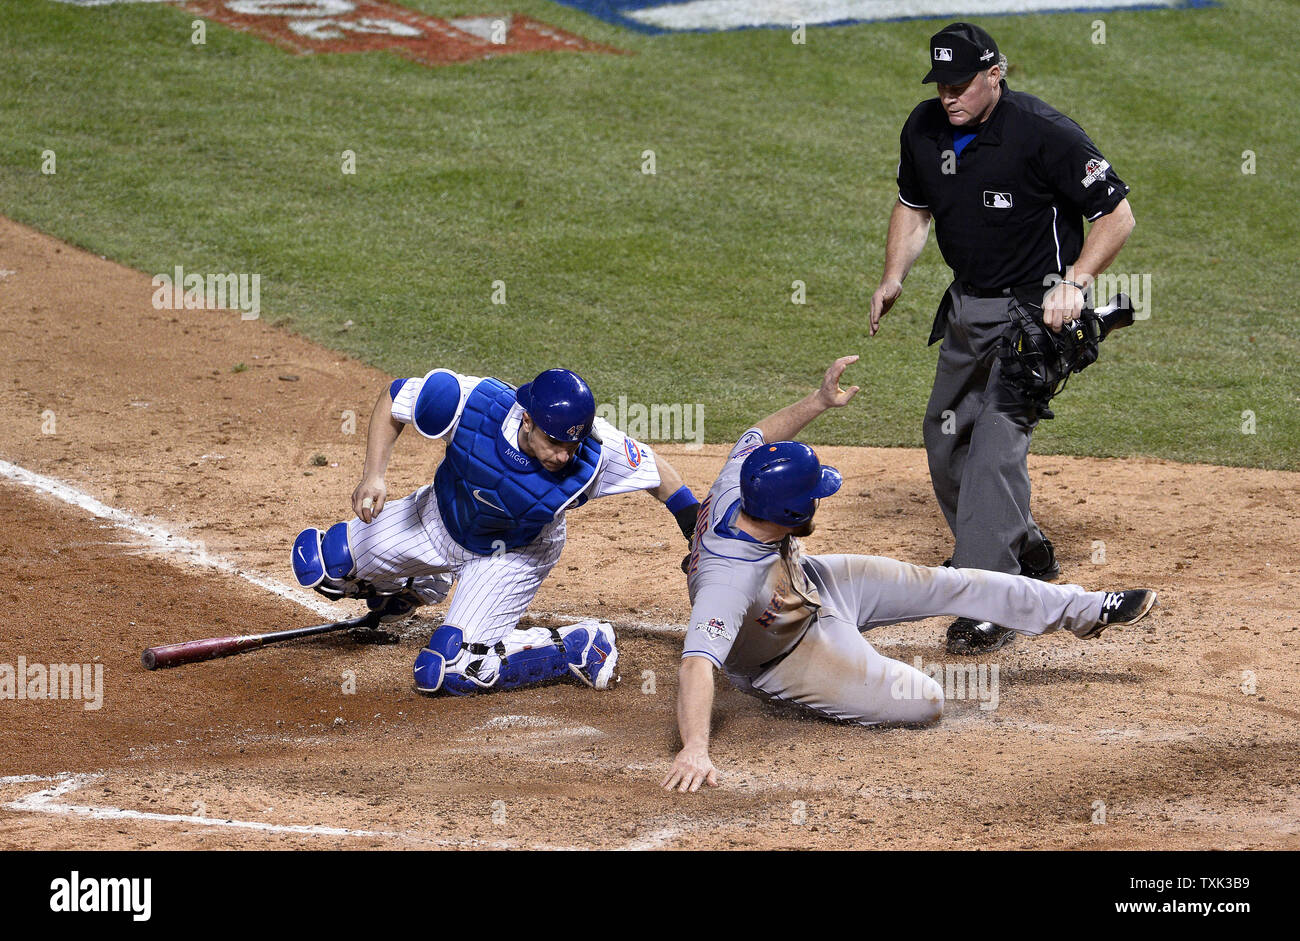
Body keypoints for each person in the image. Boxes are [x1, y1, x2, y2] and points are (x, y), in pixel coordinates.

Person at [661, 357, 1156, 793]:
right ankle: (773, 682)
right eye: (813, 497)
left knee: (952, 582)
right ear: (788, 513)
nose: (820, 500)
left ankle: (1085, 609)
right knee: (924, 702)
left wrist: (818, 400)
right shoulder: (728, 585)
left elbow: (760, 435)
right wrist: (695, 749)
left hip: (812, 583)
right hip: (783, 653)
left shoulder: (740, 478)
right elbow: (696, 664)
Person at [868, 22, 1136, 654]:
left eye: (961, 83)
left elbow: (1115, 215)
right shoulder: (925, 127)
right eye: (941, 85)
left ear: (995, 74)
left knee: (995, 445)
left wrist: (1075, 283)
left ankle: (994, 595)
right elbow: (914, 205)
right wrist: (893, 276)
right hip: (967, 309)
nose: (949, 96)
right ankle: (1024, 545)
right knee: (946, 437)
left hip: (1033, 319)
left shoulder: (1043, 131)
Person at [291, 366, 699, 695]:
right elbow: (394, 398)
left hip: (511, 556)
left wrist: (693, 530)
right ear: (527, 419)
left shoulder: (595, 451)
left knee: (453, 668)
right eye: (554, 441)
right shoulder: (472, 405)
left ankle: (576, 646)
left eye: (571, 446)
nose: (563, 455)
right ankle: (415, 584)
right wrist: (374, 476)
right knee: (324, 563)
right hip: (436, 520)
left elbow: (658, 475)